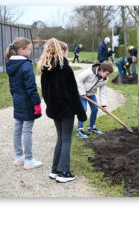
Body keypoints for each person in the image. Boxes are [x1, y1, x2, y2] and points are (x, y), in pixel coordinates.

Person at [39, 38, 87, 183]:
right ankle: (64, 172)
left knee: (61, 138)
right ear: (63, 51)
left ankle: (55, 169)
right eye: (67, 52)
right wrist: (81, 113)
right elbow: (73, 94)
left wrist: (50, 105)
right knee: (66, 139)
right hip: (66, 110)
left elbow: (45, 93)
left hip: (54, 110)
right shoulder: (65, 69)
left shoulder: (45, 69)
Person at [5, 37, 42, 169]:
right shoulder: (26, 65)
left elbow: (12, 86)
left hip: (17, 99)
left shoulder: (10, 64)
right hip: (27, 101)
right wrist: (36, 104)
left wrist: (15, 97)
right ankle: (28, 160)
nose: (30, 52)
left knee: (17, 128)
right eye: (29, 49)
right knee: (27, 130)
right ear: (21, 50)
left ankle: (18, 157)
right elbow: (31, 87)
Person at [76, 61, 114, 138]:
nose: (107, 76)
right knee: (83, 109)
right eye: (106, 74)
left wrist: (104, 105)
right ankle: (80, 129)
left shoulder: (104, 79)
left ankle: (92, 128)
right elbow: (78, 79)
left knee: (95, 109)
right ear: (102, 70)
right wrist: (82, 93)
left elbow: (103, 92)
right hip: (81, 94)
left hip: (91, 94)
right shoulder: (89, 72)